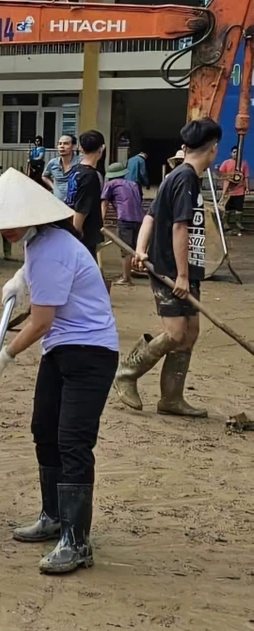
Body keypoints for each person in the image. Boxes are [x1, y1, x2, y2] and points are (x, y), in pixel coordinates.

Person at [0, 169, 118, 575]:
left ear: (34, 216)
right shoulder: (42, 244)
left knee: (72, 440)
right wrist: (20, 276)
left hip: (91, 353)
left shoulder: (51, 247)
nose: (9, 230)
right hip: (62, 351)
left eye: (16, 221)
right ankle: (53, 516)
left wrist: (5, 356)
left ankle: (77, 541)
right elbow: (41, 272)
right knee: (43, 429)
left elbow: (40, 321)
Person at [114, 117, 222, 418]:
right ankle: (127, 372)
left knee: (190, 332)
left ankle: (171, 399)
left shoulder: (178, 176)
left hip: (186, 270)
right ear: (212, 149)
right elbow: (179, 229)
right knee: (175, 333)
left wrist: (140, 247)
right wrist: (182, 276)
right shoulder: (184, 178)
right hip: (172, 271)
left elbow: (150, 216)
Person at [101, 161, 145, 286]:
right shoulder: (134, 184)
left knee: (125, 249)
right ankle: (137, 270)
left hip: (125, 219)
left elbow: (104, 203)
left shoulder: (110, 184)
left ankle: (126, 278)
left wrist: (102, 220)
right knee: (137, 249)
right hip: (140, 219)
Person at [65, 130, 106, 258]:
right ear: (102, 148)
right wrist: (76, 234)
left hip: (70, 225)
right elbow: (81, 208)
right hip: (84, 235)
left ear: (81, 148)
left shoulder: (75, 170)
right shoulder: (90, 176)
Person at [219, 145, 248, 231]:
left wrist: (247, 188)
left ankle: (238, 224)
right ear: (231, 153)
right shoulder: (226, 163)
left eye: (237, 152)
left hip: (240, 190)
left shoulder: (244, 163)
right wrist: (230, 177)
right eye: (234, 152)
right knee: (226, 208)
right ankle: (225, 224)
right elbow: (220, 174)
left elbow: (246, 176)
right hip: (228, 190)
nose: (235, 154)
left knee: (239, 208)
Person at [42, 135, 80, 201]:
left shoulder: (80, 162)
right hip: (58, 203)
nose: (62, 146)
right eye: (60, 144)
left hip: (76, 203)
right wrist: (53, 187)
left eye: (66, 143)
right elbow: (44, 176)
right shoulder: (53, 163)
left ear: (73, 146)